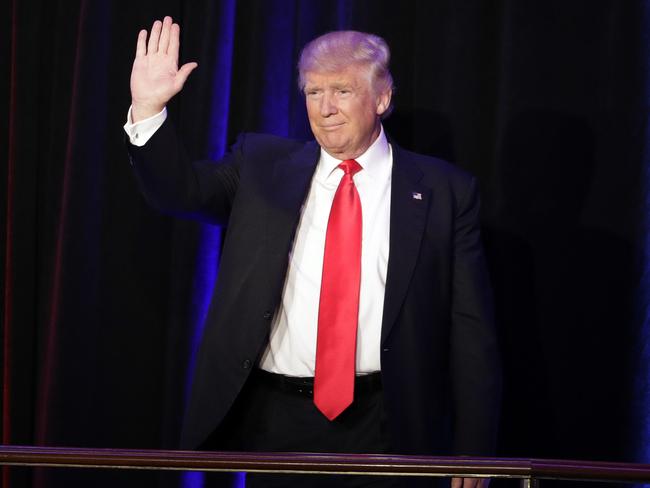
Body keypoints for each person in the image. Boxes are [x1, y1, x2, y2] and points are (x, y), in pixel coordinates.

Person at [125, 16, 501, 488]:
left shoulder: (446, 191)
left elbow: (470, 332)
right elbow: (179, 192)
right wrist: (147, 110)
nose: (325, 108)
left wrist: (474, 449)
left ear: (382, 98)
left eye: (342, 91)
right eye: (313, 92)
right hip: (277, 423)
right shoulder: (261, 165)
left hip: (387, 424)